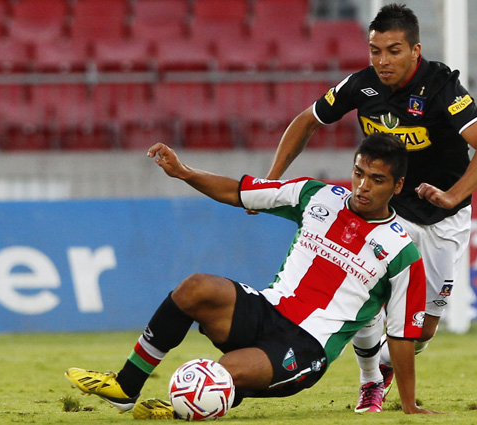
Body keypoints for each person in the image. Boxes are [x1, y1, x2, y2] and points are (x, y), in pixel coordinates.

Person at [64, 133, 438, 419]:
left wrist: (408, 405)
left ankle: (179, 410)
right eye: (358, 173)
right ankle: (126, 386)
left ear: (397, 185)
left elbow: (402, 334)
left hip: (307, 346)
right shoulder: (315, 195)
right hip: (267, 309)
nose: (362, 186)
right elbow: (240, 191)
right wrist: (184, 172)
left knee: (220, 376)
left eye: (376, 179)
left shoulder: (402, 252)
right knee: (195, 288)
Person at [264, 3, 477, 413]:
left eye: (393, 51)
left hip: (443, 217)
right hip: (388, 211)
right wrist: (272, 181)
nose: (382, 61)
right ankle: (370, 382)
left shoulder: (442, 87)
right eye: (375, 51)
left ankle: (385, 366)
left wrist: (452, 195)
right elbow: (307, 121)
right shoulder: (362, 86)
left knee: (422, 329)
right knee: (365, 298)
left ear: (415, 50)